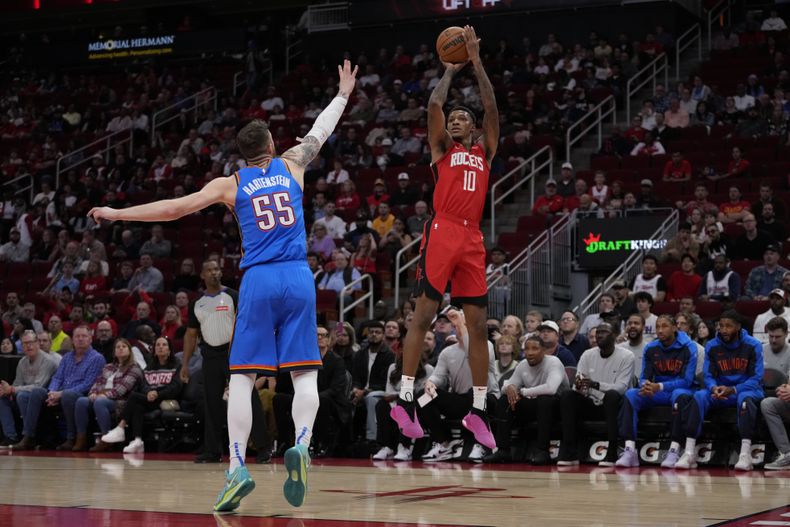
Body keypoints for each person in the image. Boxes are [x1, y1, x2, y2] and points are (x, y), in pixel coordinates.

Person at [88, 59, 360, 511]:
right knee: (306, 373)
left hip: (258, 280)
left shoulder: (230, 184)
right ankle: (303, 448)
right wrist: (343, 93)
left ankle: (237, 468)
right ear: (273, 144)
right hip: (298, 275)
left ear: (242, 153)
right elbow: (321, 130)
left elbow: (174, 209)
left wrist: (118, 214)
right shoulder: (293, 164)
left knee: (243, 379)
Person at [391, 26, 499, 451]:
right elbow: (434, 103)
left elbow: (491, 107)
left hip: (472, 238)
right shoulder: (442, 150)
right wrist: (452, 70)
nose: (455, 121)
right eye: (452, 120)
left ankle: (478, 409)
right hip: (442, 230)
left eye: (462, 119)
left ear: (473, 129)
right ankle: (404, 400)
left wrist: (478, 63)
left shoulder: (484, 151)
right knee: (423, 315)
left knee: (477, 328)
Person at [669, 311, 763, 470]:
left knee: (745, 399)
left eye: (728, 326)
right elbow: (708, 375)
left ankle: (745, 455)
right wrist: (713, 387)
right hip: (719, 391)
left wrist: (733, 389)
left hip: (746, 390)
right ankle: (690, 452)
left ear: (738, 327)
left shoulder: (753, 345)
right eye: (721, 326)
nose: (724, 330)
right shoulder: (712, 345)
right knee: (699, 395)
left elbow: (756, 378)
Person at [615, 315, 697, 467]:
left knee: (680, 395)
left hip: (679, 390)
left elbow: (687, 381)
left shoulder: (689, 347)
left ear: (674, 328)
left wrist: (658, 386)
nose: (660, 330)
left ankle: (674, 450)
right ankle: (629, 450)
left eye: (664, 326)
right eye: (657, 327)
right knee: (631, 395)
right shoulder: (651, 348)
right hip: (657, 391)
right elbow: (644, 377)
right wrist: (645, 385)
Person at [419, 309, 499, 461]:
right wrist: (431, 382)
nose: (460, 328)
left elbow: (472, 352)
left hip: (487, 400)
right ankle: (444, 443)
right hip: (460, 401)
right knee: (423, 398)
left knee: (475, 393)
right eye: (457, 326)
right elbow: (438, 376)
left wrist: (461, 323)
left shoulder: (485, 345)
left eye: (464, 325)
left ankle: (480, 444)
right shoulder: (447, 352)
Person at [558, 323, 634, 466]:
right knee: (568, 395)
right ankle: (570, 452)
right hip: (591, 401)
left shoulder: (627, 356)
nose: (599, 335)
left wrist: (595, 384)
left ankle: (612, 452)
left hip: (613, 404)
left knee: (612, 395)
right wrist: (581, 387)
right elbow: (579, 384)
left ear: (614, 336)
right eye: (597, 332)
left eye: (604, 332)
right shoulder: (587, 354)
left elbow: (621, 388)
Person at [483, 334, 568, 464]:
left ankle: (543, 451)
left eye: (535, 349)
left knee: (545, 400)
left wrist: (521, 391)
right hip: (535, 406)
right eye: (527, 349)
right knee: (504, 400)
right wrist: (510, 387)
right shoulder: (523, 365)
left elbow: (551, 388)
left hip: (558, 408)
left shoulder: (554, 362)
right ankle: (503, 450)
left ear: (544, 351)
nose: (530, 353)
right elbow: (504, 387)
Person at [101, 336, 183, 453]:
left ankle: (120, 427)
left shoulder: (177, 365)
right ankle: (138, 441)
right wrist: (149, 392)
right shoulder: (150, 366)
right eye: (158, 345)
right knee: (138, 406)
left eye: (164, 345)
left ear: (169, 350)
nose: (160, 347)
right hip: (150, 399)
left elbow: (176, 387)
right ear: (154, 349)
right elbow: (143, 384)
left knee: (134, 396)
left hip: (167, 401)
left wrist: (157, 394)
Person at [73, 338, 143, 452]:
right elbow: (98, 382)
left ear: (130, 351)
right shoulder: (108, 367)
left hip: (122, 401)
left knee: (100, 402)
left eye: (124, 347)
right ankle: (81, 437)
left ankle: (106, 439)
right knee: (81, 401)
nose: (120, 349)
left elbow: (122, 390)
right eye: (118, 347)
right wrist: (93, 393)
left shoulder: (134, 368)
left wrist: (104, 396)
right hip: (102, 397)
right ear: (114, 351)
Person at [48, 326, 106, 451]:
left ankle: (71, 438)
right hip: (61, 393)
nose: (80, 339)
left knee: (68, 395)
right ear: (72, 340)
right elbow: (57, 377)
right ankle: (35, 437)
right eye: (77, 336)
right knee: (37, 393)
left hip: (84, 395)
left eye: (84, 336)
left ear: (90, 339)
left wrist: (61, 394)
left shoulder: (97, 358)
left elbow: (88, 384)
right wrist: (52, 392)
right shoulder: (67, 357)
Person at [0, 331, 58, 449]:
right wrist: (6, 390)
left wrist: (12, 389)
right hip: (24, 396)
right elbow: (17, 384)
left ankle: (29, 437)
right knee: (2, 398)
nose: (28, 346)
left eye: (31, 342)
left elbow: (39, 385)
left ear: (37, 343)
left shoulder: (48, 361)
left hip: (45, 397)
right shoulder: (22, 362)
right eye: (25, 343)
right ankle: (10, 436)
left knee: (22, 396)